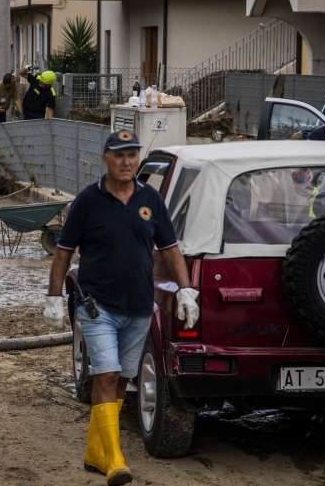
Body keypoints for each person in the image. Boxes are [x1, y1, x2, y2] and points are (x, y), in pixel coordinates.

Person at [45, 130, 199, 486]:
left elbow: (170, 247)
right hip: (98, 306)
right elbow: (64, 251)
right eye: (119, 155)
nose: (127, 161)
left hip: (140, 308)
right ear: (106, 158)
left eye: (132, 155)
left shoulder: (150, 199)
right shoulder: (88, 201)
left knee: (124, 380)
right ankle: (114, 459)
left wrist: (187, 289)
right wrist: (54, 296)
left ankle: (95, 450)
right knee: (107, 374)